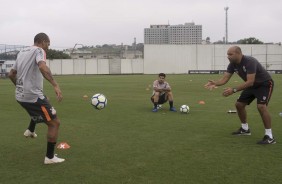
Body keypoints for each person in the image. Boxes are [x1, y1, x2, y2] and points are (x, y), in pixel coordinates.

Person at [8, 33, 65, 164]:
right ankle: (50, 157)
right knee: (54, 123)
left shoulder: (22, 52)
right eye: (48, 44)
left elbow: (11, 74)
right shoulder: (39, 50)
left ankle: (30, 130)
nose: (48, 48)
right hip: (32, 96)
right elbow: (42, 66)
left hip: (20, 96)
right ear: (42, 41)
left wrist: (20, 88)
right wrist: (55, 85)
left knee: (45, 101)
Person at [204, 46, 275, 144]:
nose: (228, 56)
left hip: (264, 84)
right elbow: (225, 79)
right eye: (227, 54)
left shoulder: (250, 61)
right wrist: (215, 83)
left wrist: (233, 90)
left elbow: (250, 82)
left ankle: (269, 136)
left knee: (261, 106)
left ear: (238, 53)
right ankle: (245, 129)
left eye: (230, 54)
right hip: (252, 86)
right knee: (239, 105)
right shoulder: (232, 64)